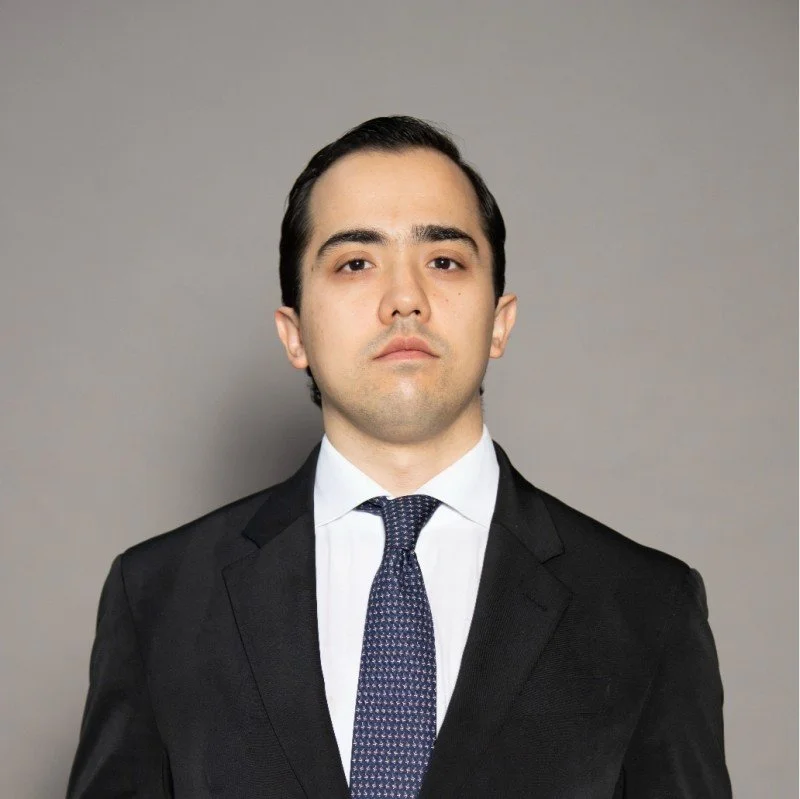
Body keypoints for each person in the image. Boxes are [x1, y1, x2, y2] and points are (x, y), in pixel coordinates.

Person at [67, 116, 732, 798]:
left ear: (499, 320)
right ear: (294, 334)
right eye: (355, 263)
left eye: (444, 261)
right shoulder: (158, 600)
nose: (405, 299)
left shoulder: (647, 608)